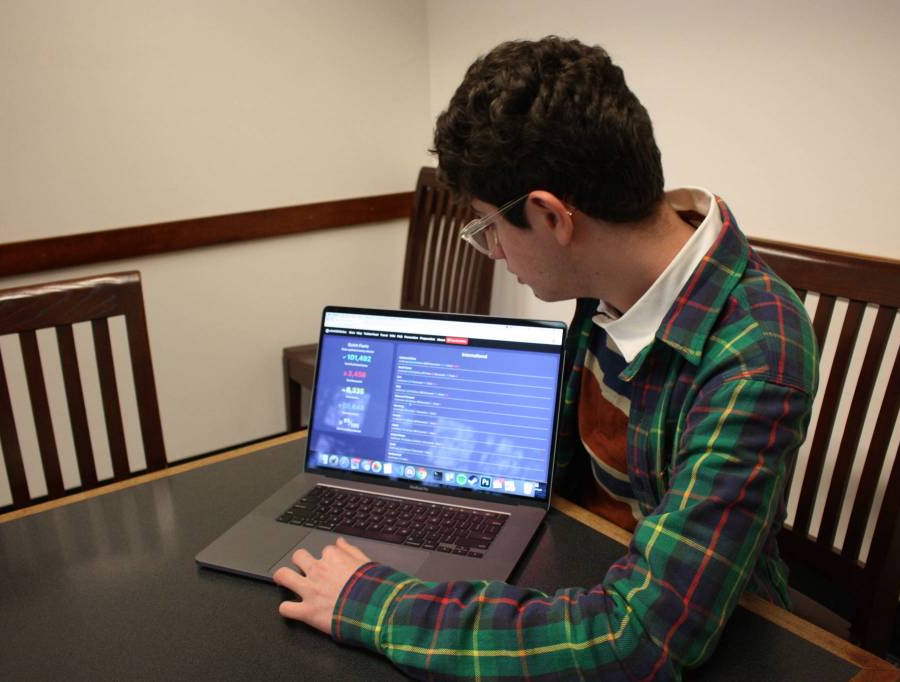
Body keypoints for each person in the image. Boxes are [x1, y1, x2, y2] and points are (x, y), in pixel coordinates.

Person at [273, 36, 819, 680]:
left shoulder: (756, 350)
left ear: (552, 216)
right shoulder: (612, 277)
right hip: (586, 560)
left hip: (708, 633)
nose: (495, 252)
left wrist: (375, 602)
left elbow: (640, 637)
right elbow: (565, 470)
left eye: (489, 228)